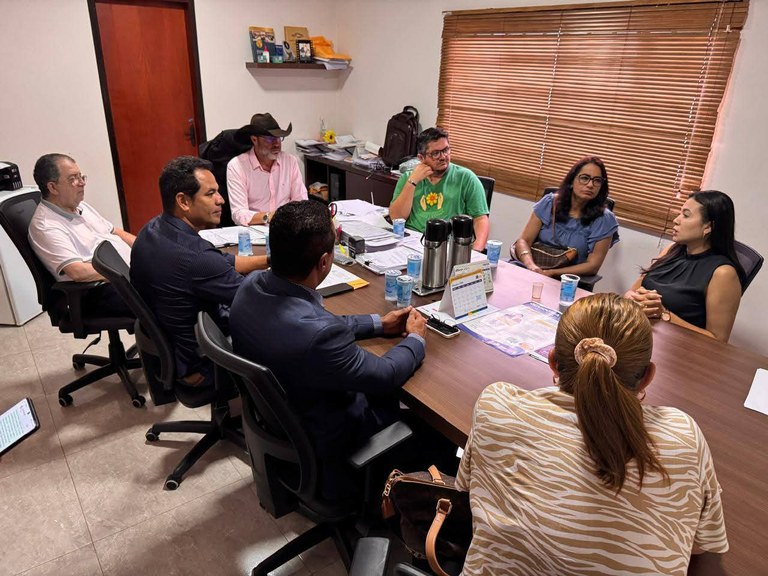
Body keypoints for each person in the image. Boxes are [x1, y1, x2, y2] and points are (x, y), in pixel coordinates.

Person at [456, 293, 728, 575]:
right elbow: (700, 544)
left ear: (553, 361)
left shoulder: (497, 405)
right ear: (647, 376)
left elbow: (466, 487)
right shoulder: (683, 437)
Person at [230, 200, 427, 497]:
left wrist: (378, 324)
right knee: (429, 423)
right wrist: (416, 339)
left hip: (285, 421)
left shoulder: (251, 286)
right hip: (331, 441)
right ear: (323, 262)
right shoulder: (320, 336)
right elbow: (385, 374)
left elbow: (316, 323)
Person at [131, 156, 268, 386]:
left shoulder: (152, 229)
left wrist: (271, 260)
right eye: (210, 193)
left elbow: (224, 261)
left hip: (177, 349)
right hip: (202, 363)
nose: (221, 200)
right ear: (183, 201)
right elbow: (259, 301)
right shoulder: (196, 258)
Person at [625, 190, 744, 343]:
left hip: (677, 347)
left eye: (686, 215)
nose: (676, 220)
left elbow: (718, 340)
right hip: (640, 333)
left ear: (708, 227)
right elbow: (633, 290)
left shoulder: (723, 273)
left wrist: (663, 314)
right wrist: (632, 298)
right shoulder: (673, 249)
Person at [28, 153, 134, 315]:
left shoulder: (81, 206)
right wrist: (128, 271)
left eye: (81, 177)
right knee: (168, 295)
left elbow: (115, 231)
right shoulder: (46, 226)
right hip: (101, 291)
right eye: (73, 179)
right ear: (53, 187)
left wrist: (146, 249)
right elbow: (78, 272)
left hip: (126, 276)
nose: (82, 183)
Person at [512, 156, 619, 277]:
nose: (590, 185)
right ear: (572, 181)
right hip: (532, 268)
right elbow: (524, 240)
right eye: (585, 178)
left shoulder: (605, 219)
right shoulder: (549, 203)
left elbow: (593, 266)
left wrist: (552, 273)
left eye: (597, 180)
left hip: (566, 279)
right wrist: (531, 266)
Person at [389, 127, 489, 251]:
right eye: (436, 153)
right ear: (421, 158)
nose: (443, 157)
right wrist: (412, 182)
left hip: (448, 246)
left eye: (446, 150)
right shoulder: (408, 178)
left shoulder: (466, 178)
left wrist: (475, 252)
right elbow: (396, 218)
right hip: (412, 242)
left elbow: (481, 219)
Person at [226, 113, 307, 226]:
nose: (276, 144)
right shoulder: (237, 166)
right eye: (270, 139)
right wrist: (270, 217)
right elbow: (239, 213)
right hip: (255, 228)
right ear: (254, 139)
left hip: (287, 227)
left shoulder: (290, 161)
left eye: (278, 138)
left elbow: (301, 201)